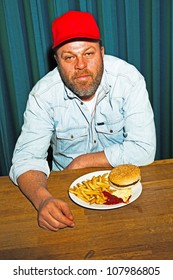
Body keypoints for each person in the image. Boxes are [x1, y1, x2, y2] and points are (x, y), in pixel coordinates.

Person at [9, 10, 156, 231]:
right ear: (57, 61)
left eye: (88, 53)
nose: (80, 65)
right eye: (69, 57)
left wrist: (83, 161)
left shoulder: (129, 80)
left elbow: (144, 150)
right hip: (65, 194)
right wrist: (43, 200)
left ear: (102, 52)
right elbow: (25, 159)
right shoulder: (43, 95)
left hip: (126, 192)